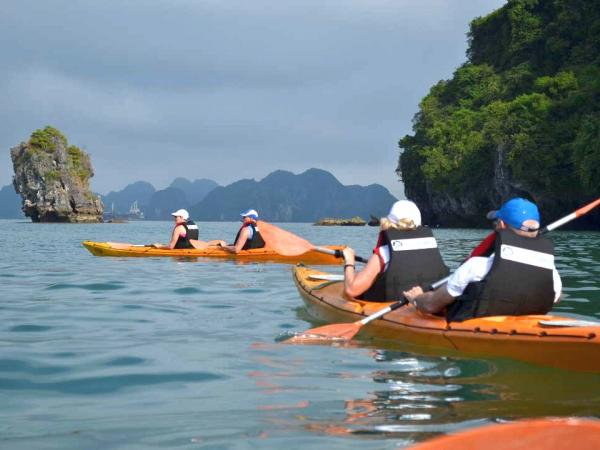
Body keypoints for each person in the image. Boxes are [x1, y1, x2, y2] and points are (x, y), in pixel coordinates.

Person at [403, 198, 562, 321]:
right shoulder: (552, 274)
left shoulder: (477, 267)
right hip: (524, 326)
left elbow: (430, 305)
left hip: (475, 328)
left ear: (501, 224)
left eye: (495, 222)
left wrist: (417, 299)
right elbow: (556, 297)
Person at [342, 200, 449, 301]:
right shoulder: (430, 249)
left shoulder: (384, 253)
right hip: (427, 308)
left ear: (390, 222)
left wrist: (349, 260)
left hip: (389, 312)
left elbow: (351, 290)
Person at [153, 209, 220, 250]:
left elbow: (171, 247)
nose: (174, 218)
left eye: (176, 217)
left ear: (182, 217)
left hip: (184, 251)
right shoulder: (193, 224)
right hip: (195, 248)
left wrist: (159, 246)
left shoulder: (179, 228)